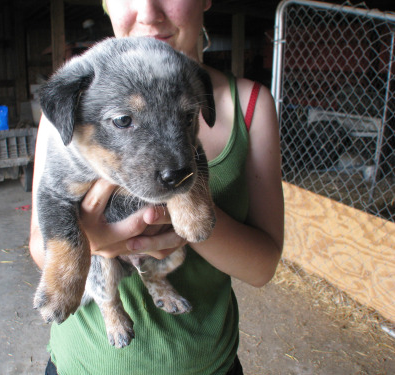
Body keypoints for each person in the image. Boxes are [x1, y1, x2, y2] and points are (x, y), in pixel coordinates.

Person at [29, 0, 284, 374]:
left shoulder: (251, 106)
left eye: (186, 116)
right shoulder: (79, 92)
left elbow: (262, 269)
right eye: (123, 120)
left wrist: (187, 205)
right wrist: (91, 245)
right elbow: (47, 221)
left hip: (205, 363)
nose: (149, 11)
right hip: (83, 363)